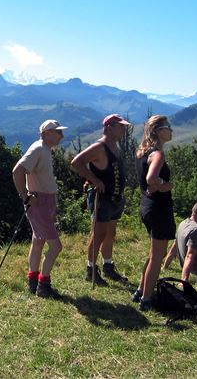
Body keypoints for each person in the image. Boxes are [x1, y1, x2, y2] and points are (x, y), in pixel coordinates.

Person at [71, 114, 131, 285]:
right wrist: (94, 179)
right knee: (99, 234)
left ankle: (108, 266)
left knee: (110, 233)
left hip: (115, 197)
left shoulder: (115, 146)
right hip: (101, 197)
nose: (123, 129)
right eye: (120, 126)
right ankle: (90, 269)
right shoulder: (100, 146)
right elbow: (76, 162)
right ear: (109, 127)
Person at [12, 119, 67, 299]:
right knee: (56, 246)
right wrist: (25, 196)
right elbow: (17, 171)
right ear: (46, 133)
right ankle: (43, 285)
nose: (62, 135)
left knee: (38, 242)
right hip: (39, 202)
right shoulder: (38, 149)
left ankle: (33, 281)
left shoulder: (44, 149)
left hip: (43, 201)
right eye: (58, 132)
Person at [132, 115, 175, 311]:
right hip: (159, 208)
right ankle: (147, 299)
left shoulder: (142, 152)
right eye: (168, 127)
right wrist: (165, 185)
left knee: (154, 253)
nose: (171, 130)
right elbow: (151, 179)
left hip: (147, 206)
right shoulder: (157, 154)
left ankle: (141, 290)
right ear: (158, 131)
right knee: (158, 256)